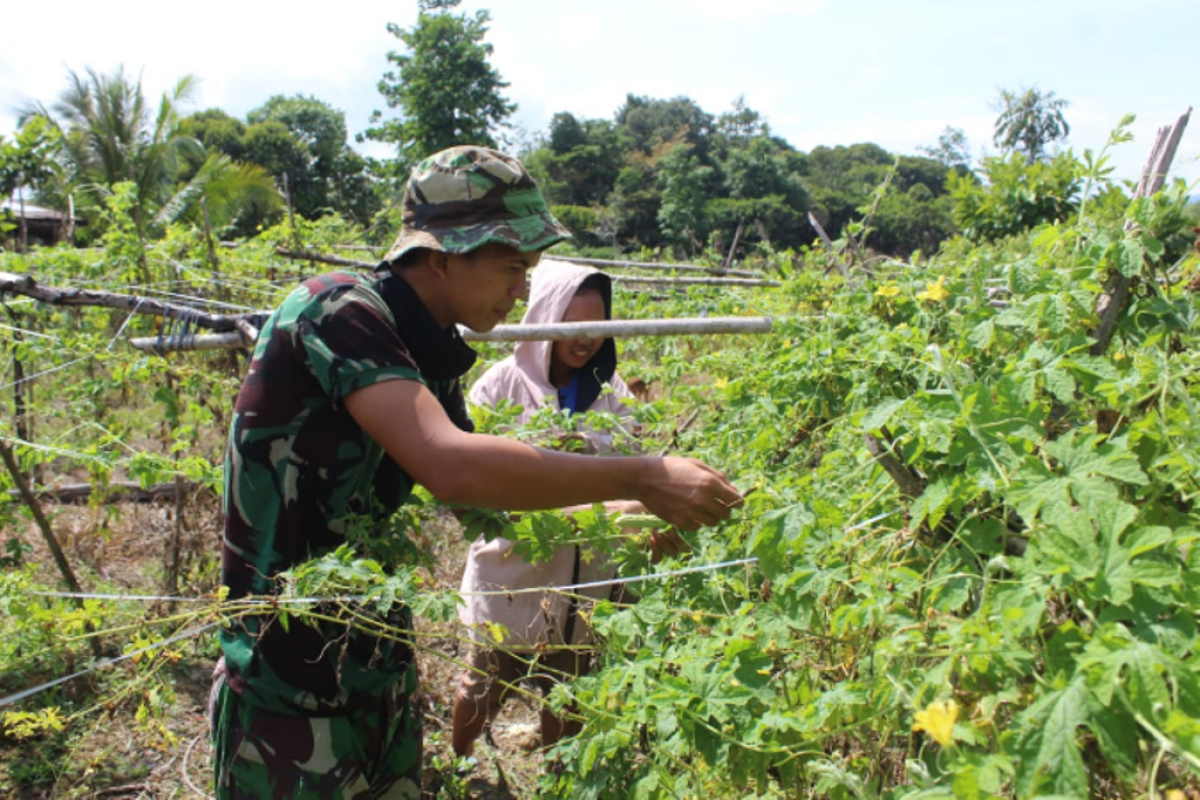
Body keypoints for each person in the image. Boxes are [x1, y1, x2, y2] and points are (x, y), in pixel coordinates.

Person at [210, 145, 741, 799]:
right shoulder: (337, 311)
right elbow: (451, 467)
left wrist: (632, 523)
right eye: (513, 265)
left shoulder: (426, 353)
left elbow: (490, 503)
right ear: (441, 255)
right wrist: (642, 477)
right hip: (285, 677)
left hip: (373, 663)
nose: (523, 290)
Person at [451, 258, 679, 759]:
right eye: (573, 328)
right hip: (513, 574)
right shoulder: (498, 387)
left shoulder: (612, 394)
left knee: (569, 698)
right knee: (482, 685)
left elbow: (632, 475)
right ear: (545, 321)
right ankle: (458, 763)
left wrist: (648, 525)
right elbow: (476, 484)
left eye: (596, 329)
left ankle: (558, 782)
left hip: (588, 582)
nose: (586, 341)